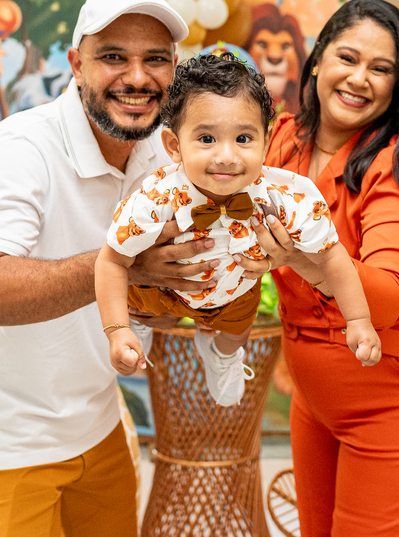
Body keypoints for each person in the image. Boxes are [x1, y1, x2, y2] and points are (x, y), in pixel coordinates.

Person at [0, 0, 223, 537]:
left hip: (98, 423)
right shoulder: (21, 149)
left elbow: (151, 304)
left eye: (156, 60)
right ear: (76, 63)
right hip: (8, 439)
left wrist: (184, 293)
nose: (138, 78)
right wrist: (127, 264)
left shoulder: (162, 155)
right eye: (113, 57)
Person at [236, 0, 399, 536]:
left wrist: (301, 252)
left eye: (380, 68)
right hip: (315, 401)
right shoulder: (282, 139)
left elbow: (383, 299)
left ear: (398, 84)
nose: (359, 77)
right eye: (347, 57)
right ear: (318, 60)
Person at [94, 55, 381, 406]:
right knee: (136, 299)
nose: (227, 156)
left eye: (244, 137)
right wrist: (117, 328)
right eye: (206, 139)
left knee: (237, 330)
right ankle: (137, 326)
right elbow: (111, 261)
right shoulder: (158, 196)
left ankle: (222, 356)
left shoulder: (283, 194)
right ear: (174, 146)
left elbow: (332, 254)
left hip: (233, 292)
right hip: (161, 289)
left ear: (267, 138)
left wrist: (358, 319)